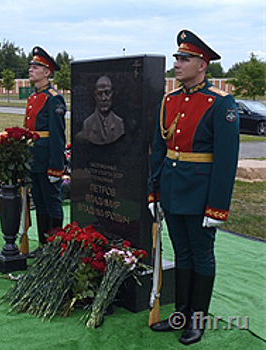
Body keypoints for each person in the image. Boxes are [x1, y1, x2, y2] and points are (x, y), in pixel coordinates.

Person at [147, 29, 239, 345]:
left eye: (184, 59)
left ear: (202, 64)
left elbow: (226, 161)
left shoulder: (220, 103)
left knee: (201, 254)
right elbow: (158, 150)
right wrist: (153, 192)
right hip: (172, 190)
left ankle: (196, 320)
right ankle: (180, 316)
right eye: (177, 58)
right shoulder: (169, 100)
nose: (178, 63)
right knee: (181, 252)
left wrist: (218, 207)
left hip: (201, 194)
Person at [23, 46, 66, 254]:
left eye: (36, 66)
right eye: (31, 65)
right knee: (39, 203)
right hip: (34, 159)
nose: (31, 69)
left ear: (47, 72)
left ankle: (55, 248)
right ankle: (42, 245)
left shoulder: (53, 98)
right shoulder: (33, 98)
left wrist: (57, 167)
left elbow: (57, 136)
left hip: (48, 160)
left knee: (52, 203)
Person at [80, 75, 125, 145]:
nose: (103, 98)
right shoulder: (87, 124)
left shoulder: (119, 123)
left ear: (112, 94)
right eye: (99, 94)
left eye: (107, 93)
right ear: (95, 96)